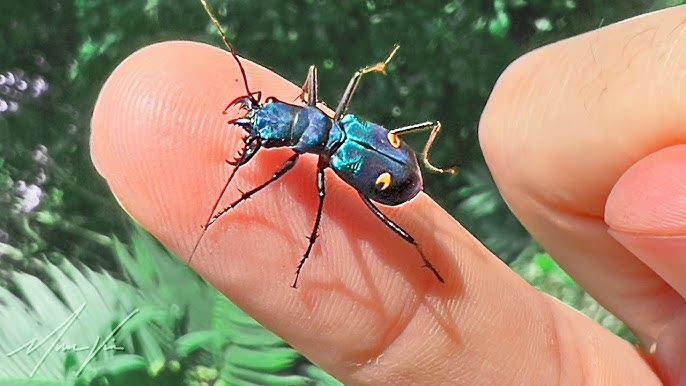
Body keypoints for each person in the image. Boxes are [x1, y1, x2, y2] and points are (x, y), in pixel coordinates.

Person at [91, 5, 686, 384]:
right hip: (376, 157)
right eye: (269, 124)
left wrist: (240, 203)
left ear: (305, 115)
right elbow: (304, 128)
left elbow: (300, 189)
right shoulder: (330, 125)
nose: (264, 122)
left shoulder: (323, 157)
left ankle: (420, 255)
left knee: (360, 216)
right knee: (351, 169)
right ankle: (420, 252)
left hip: (392, 176)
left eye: (274, 119)